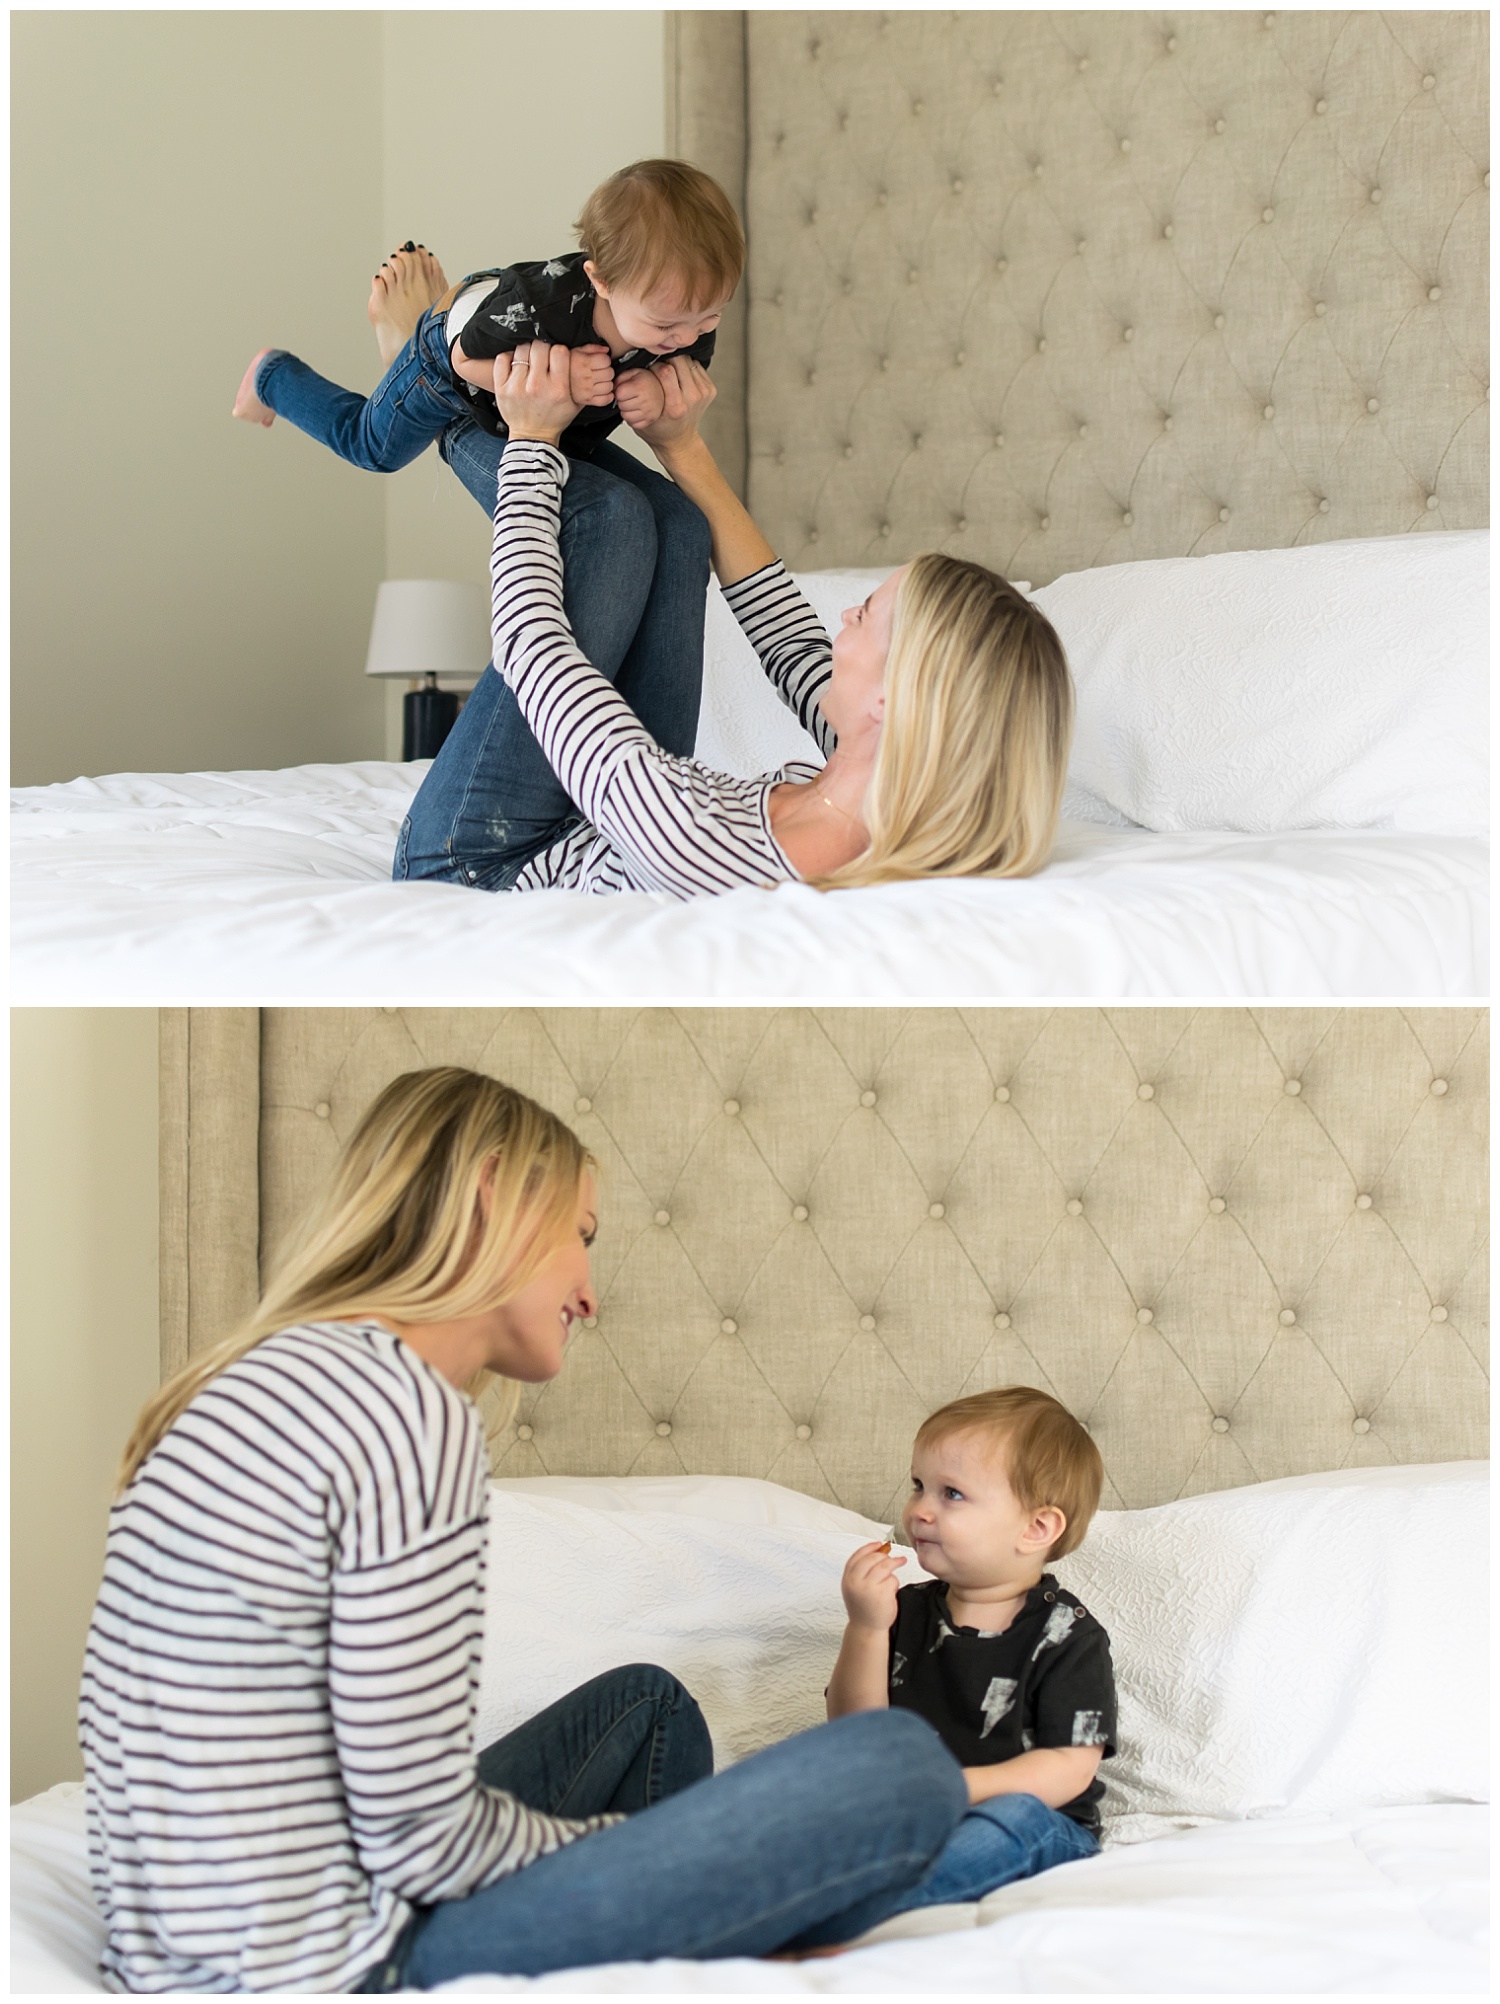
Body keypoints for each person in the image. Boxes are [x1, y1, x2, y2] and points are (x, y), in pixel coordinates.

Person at [80, 1067, 969, 1992]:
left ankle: (687, 1939)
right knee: (903, 1766)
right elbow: (420, 1839)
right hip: (326, 1968)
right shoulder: (406, 1413)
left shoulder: (264, 1379)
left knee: (645, 1703)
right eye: (580, 1238)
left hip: (196, 1942)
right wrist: (639, 1854)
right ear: (491, 1193)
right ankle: (712, 1935)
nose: (589, 1295)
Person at [394, 340, 1074, 893]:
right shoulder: (881, 793)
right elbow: (787, 638)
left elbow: (530, 649)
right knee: (679, 527)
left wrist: (532, 436)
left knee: (606, 521)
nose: (842, 618)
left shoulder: (713, 848)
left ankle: (425, 376)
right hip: (593, 820)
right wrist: (681, 444)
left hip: (475, 862)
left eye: (864, 616)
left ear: (898, 699)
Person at [232, 160, 741, 771]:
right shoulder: (544, 304)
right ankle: (276, 373)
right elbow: (465, 358)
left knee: (671, 519)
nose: (687, 336)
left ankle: (651, 777)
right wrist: (561, 381)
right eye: (667, 324)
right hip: (453, 369)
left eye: (708, 319)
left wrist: (657, 392)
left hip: (554, 424)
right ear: (601, 281)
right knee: (372, 445)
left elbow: (674, 362)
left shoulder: (680, 322)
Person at [817, 1387, 1115, 1938]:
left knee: (1013, 1820)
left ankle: (854, 1918)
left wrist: (953, 1789)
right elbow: (859, 1736)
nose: (919, 1510)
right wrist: (865, 1626)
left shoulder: (1069, 1636)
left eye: (952, 1493)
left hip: (1033, 1821)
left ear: (1036, 1529)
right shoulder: (900, 1611)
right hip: (909, 1820)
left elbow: (1069, 1769)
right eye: (918, 1486)